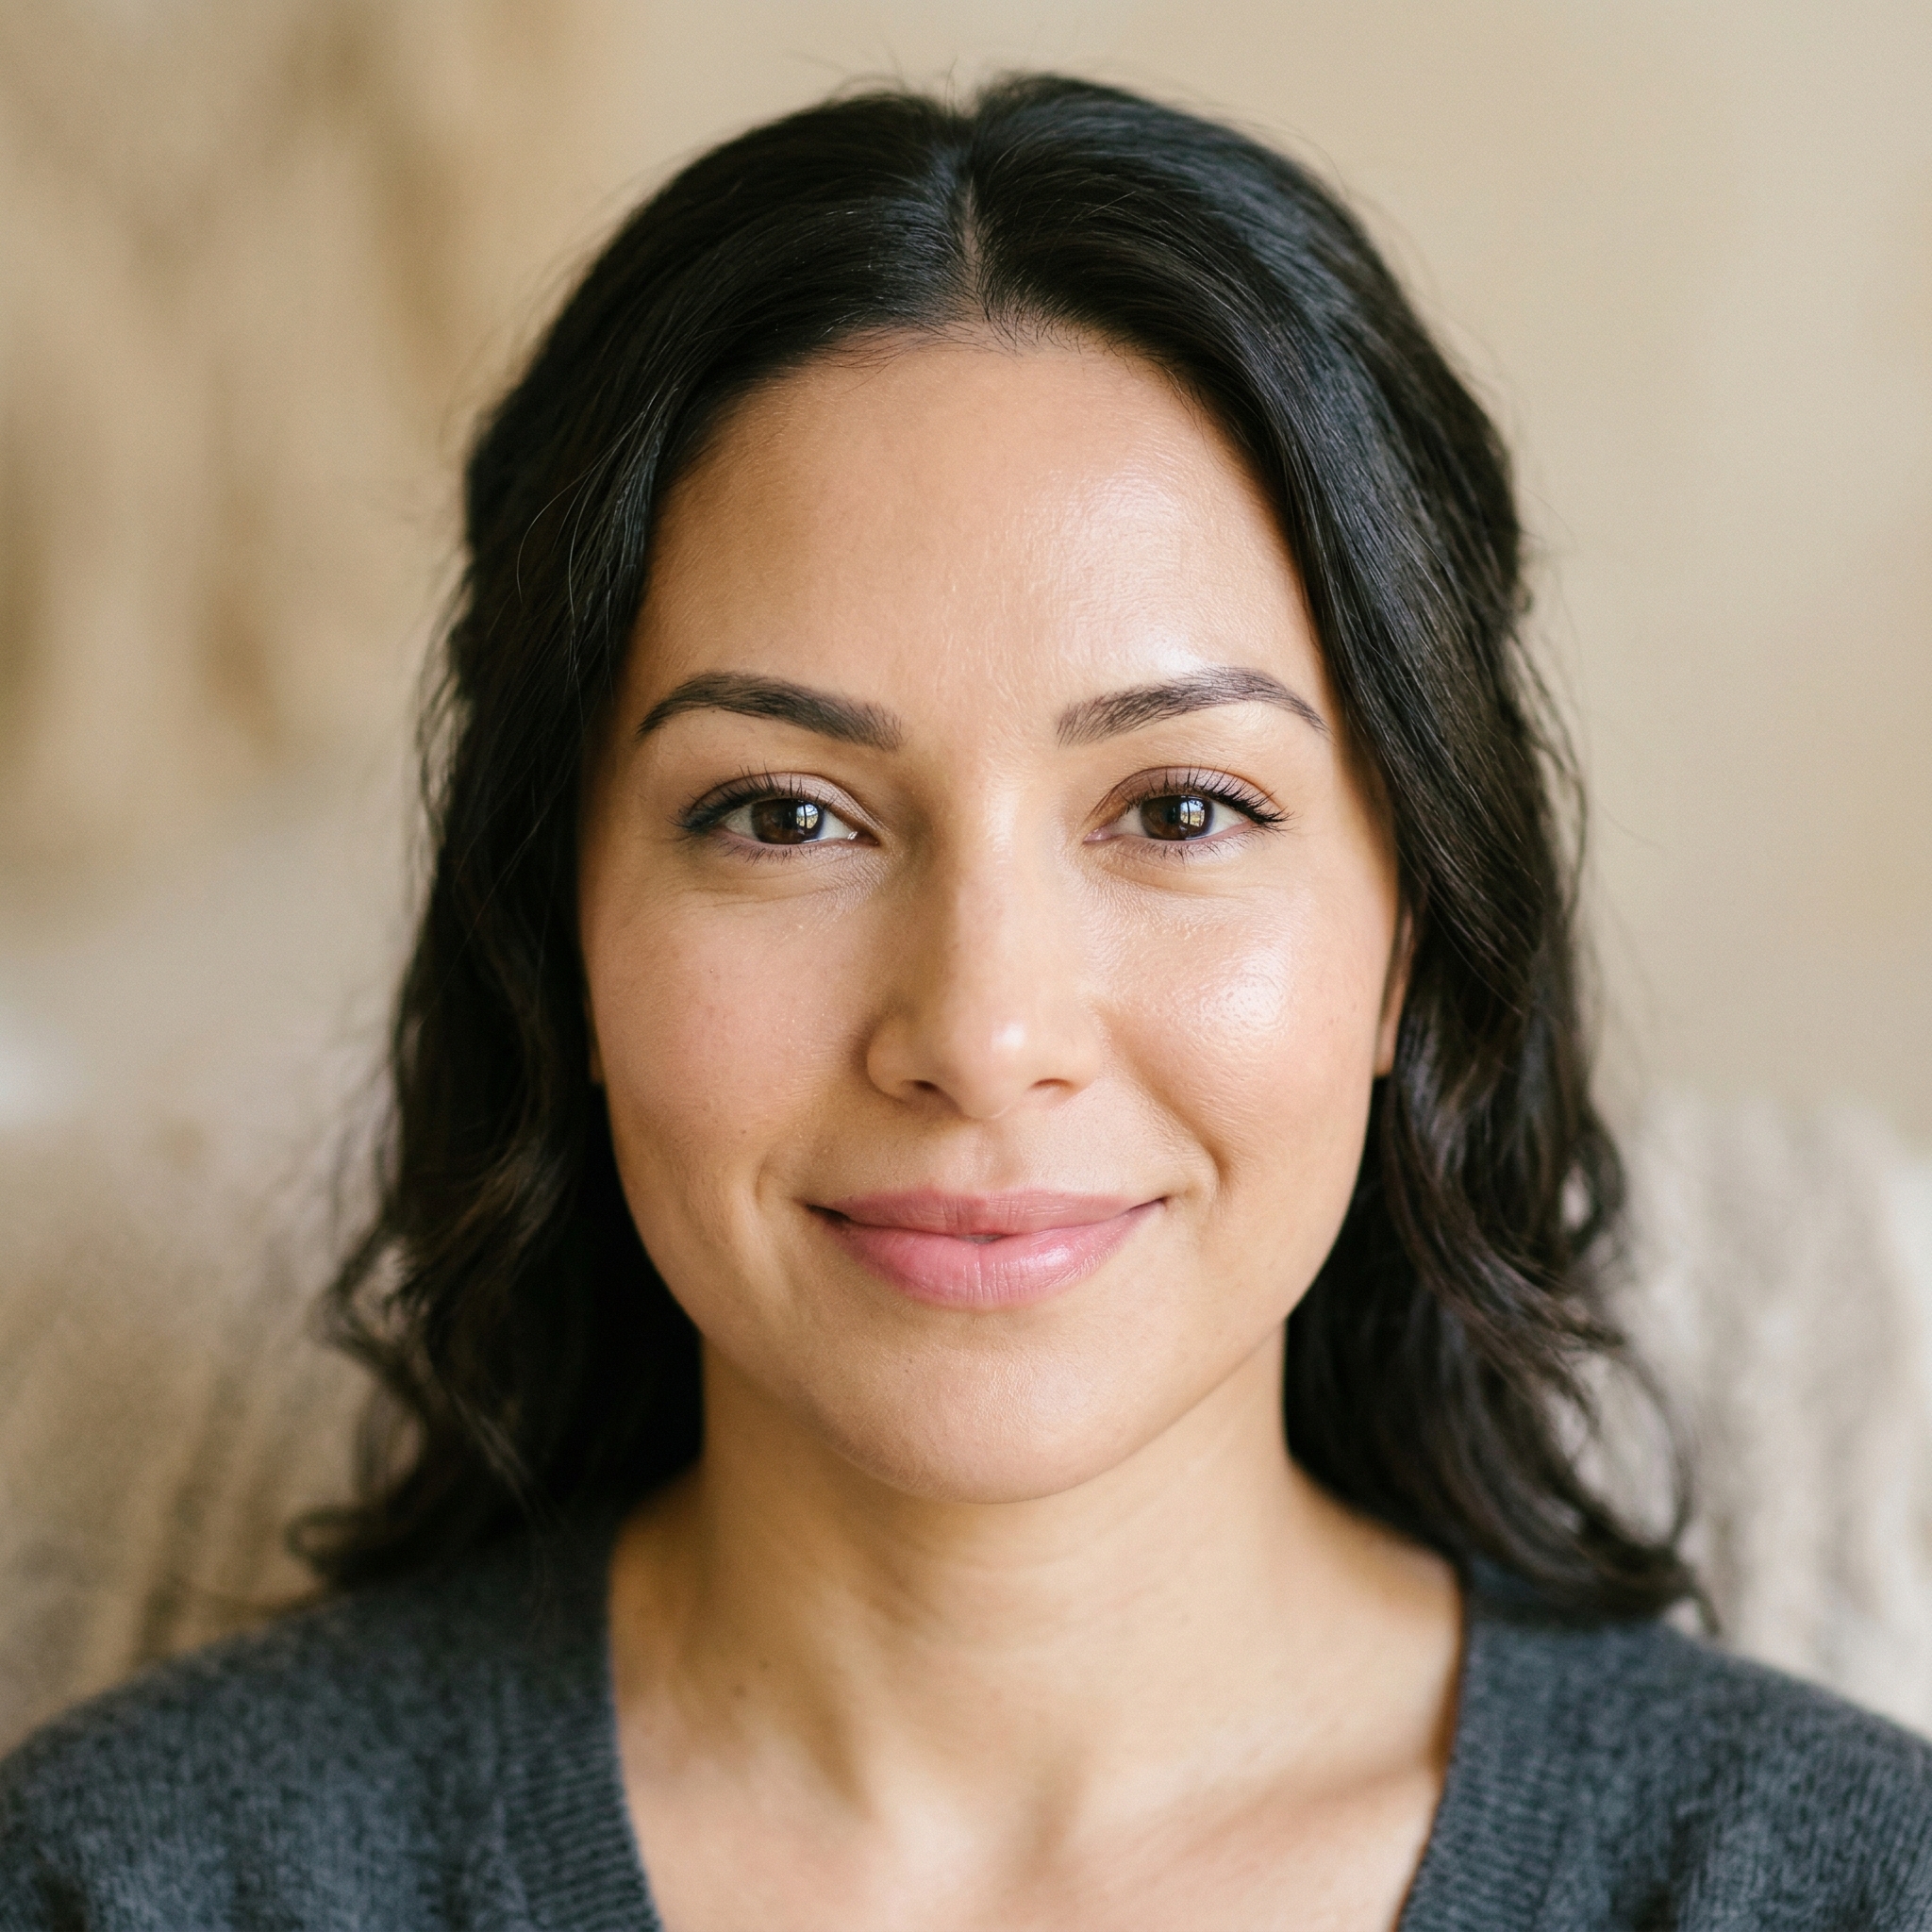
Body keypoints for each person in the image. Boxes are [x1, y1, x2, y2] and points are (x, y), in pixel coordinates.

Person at [3, 74, 1928, 1931]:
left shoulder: (1837, 1883)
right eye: (783, 813)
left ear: (1410, 933)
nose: (985, 1026)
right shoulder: (137, 1878)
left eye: (1179, 807)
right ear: (558, 927)